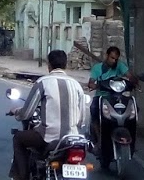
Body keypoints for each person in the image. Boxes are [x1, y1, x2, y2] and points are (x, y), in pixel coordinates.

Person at [8, 49, 88, 180]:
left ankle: (22, 177)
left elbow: (26, 113)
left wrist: (17, 112)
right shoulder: (76, 85)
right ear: (65, 65)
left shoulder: (43, 82)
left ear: (49, 65)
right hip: (72, 138)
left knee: (18, 138)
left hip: (48, 137)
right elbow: (81, 120)